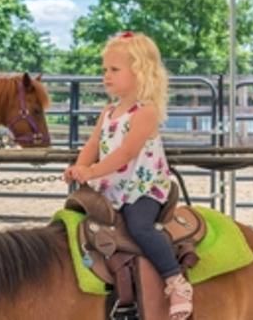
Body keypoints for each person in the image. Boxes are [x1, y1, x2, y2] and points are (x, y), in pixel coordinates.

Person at [64, 32, 192, 320]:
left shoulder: (145, 112)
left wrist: (91, 170)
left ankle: (175, 280)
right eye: (104, 70)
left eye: (114, 70)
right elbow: (93, 145)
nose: (106, 76)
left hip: (141, 186)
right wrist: (78, 168)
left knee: (139, 226)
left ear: (140, 71)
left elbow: (126, 153)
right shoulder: (108, 111)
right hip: (112, 186)